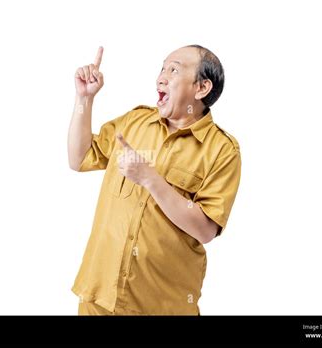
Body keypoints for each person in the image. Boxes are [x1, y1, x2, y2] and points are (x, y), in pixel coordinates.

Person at [67, 45, 241, 315]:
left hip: (162, 306)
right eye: (162, 68)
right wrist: (84, 99)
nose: (161, 77)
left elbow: (206, 229)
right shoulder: (135, 122)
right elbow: (79, 158)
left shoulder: (222, 150)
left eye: (174, 70)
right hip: (99, 298)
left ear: (202, 88)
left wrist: (151, 179)